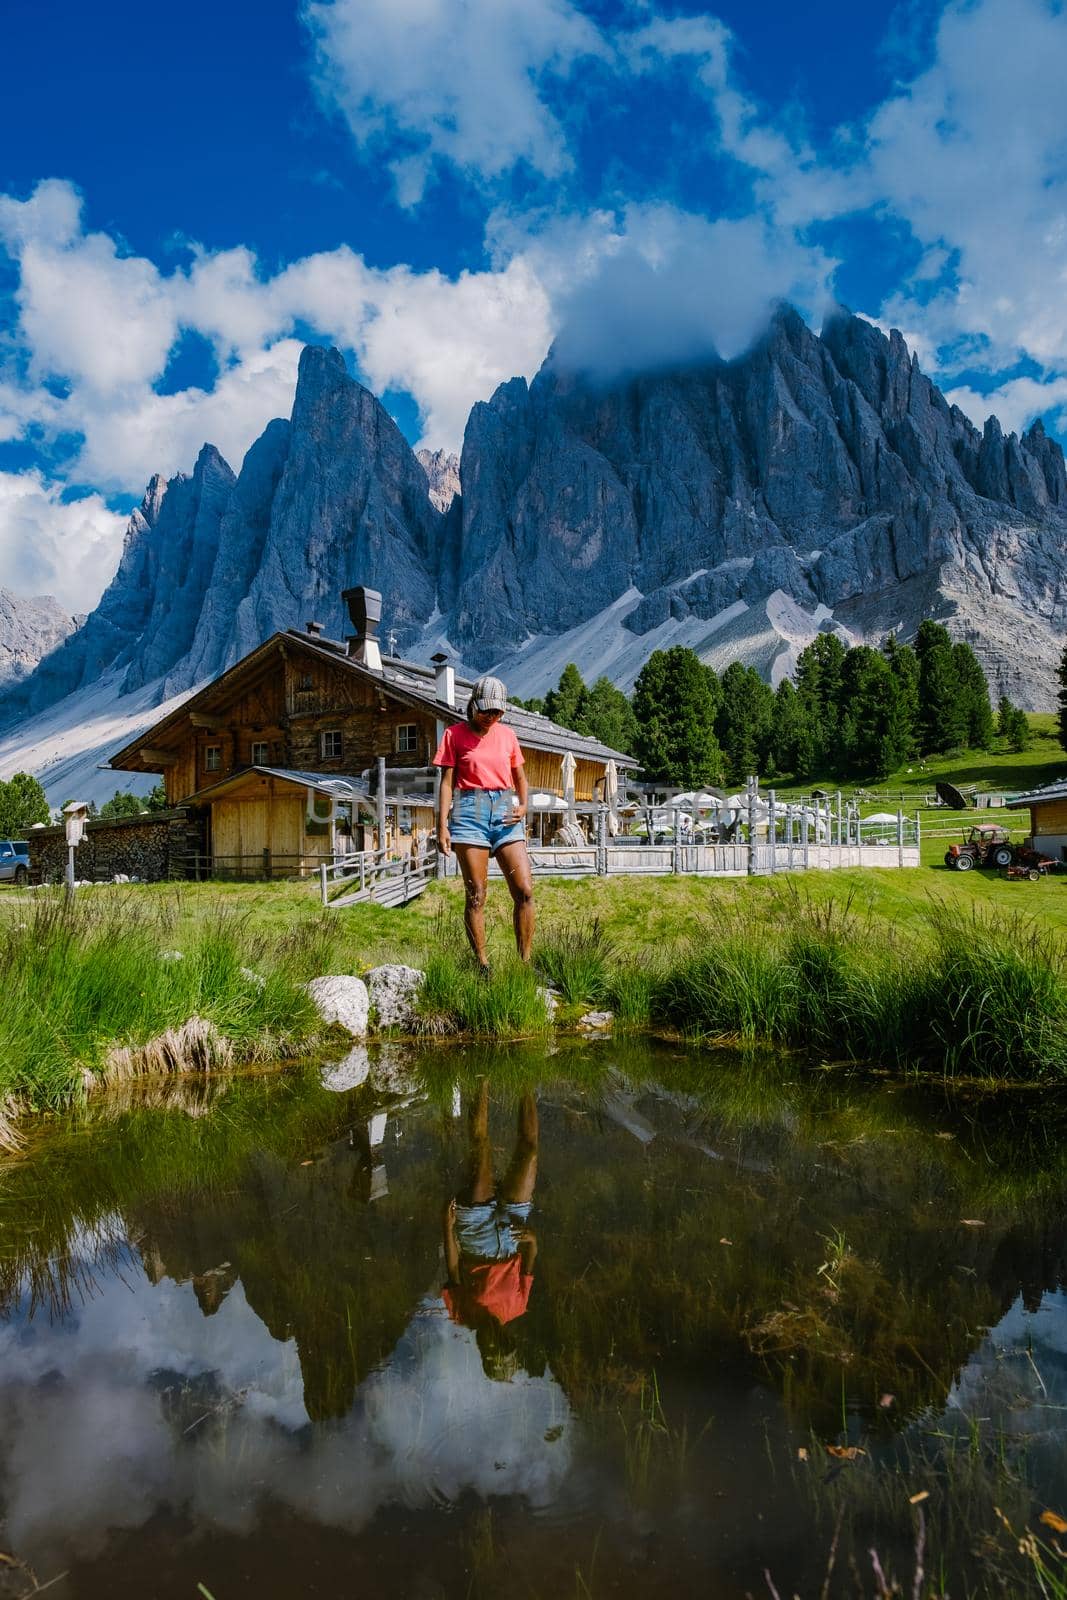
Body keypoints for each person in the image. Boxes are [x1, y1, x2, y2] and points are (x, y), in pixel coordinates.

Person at [434, 674, 534, 971]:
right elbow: (446, 783)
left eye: (498, 712)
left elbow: (520, 777)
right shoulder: (454, 735)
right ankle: (482, 965)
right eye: (487, 710)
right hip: (468, 809)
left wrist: (524, 806)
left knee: (525, 890)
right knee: (476, 893)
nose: (492, 716)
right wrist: (442, 825)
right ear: (474, 705)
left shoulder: (508, 736)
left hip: (505, 808)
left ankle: (525, 963)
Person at [442, 1079, 539, 1374]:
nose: (494, 1345)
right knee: (530, 1151)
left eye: (490, 1351)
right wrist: (533, 1241)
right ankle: (526, 1080)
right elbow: (529, 1266)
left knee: (481, 1150)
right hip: (512, 1231)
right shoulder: (518, 1307)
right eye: (502, 1349)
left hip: (475, 1233)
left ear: (483, 1350)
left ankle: (482, 1079)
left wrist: (448, 1227)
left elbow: (453, 1268)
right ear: (509, 1342)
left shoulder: (463, 1315)